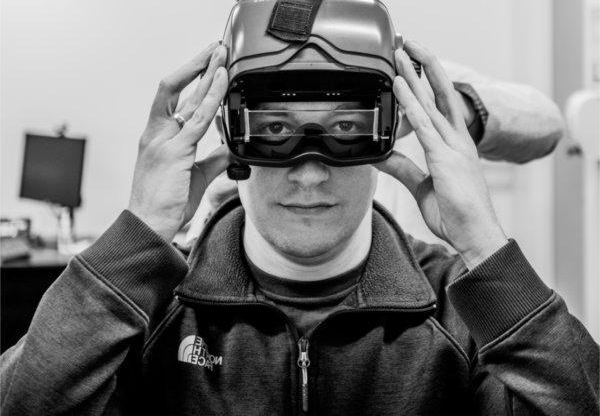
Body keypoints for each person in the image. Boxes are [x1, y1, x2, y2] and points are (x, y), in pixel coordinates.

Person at [0, 24, 597, 415]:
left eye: (344, 132)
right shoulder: (153, 304)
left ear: (385, 139)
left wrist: (484, 245)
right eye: (277, 132)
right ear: (234, 141)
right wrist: (136, 237)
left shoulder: (461, 308)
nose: (310, 175)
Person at [189, 0, 564, 246]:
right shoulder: (244, 93)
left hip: (417, 296)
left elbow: (545, 123)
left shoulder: (412, 79)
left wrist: (445, 112)